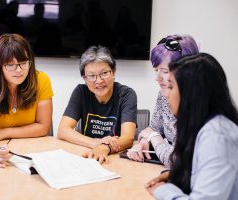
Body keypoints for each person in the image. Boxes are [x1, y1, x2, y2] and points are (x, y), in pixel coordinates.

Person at [146, 53, 238, 199]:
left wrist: (162, 190)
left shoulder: (217, 135)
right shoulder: (202, 125)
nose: (166, 94)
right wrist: (176, 175)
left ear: (190, 93)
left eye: (170, 86)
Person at [0, 33, 54, 167]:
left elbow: (44, 127)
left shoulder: (41, 80)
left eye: (23, 63)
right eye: (11, 65)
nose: (19, 70)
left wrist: (4, 132)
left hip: (33, 150)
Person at [127, 34, 199, 167]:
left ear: (186, 70)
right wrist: (144, 142)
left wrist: (154, 138)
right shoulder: (164, 94)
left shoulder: (198, 103)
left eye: (165, 71)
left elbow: (177, 161)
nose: (157, 78)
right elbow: (154, 128)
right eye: (156, 70)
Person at [57, 45, 137, 164]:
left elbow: (128, 138)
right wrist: (96, 143)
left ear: (113, 71)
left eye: (104, 73)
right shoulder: (81, 92)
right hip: (87, 155)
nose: (98, 81)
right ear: (84, 78)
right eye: (91, 76)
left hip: (115, 158)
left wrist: (105, 147)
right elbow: (63, 130)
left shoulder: (126, 94)